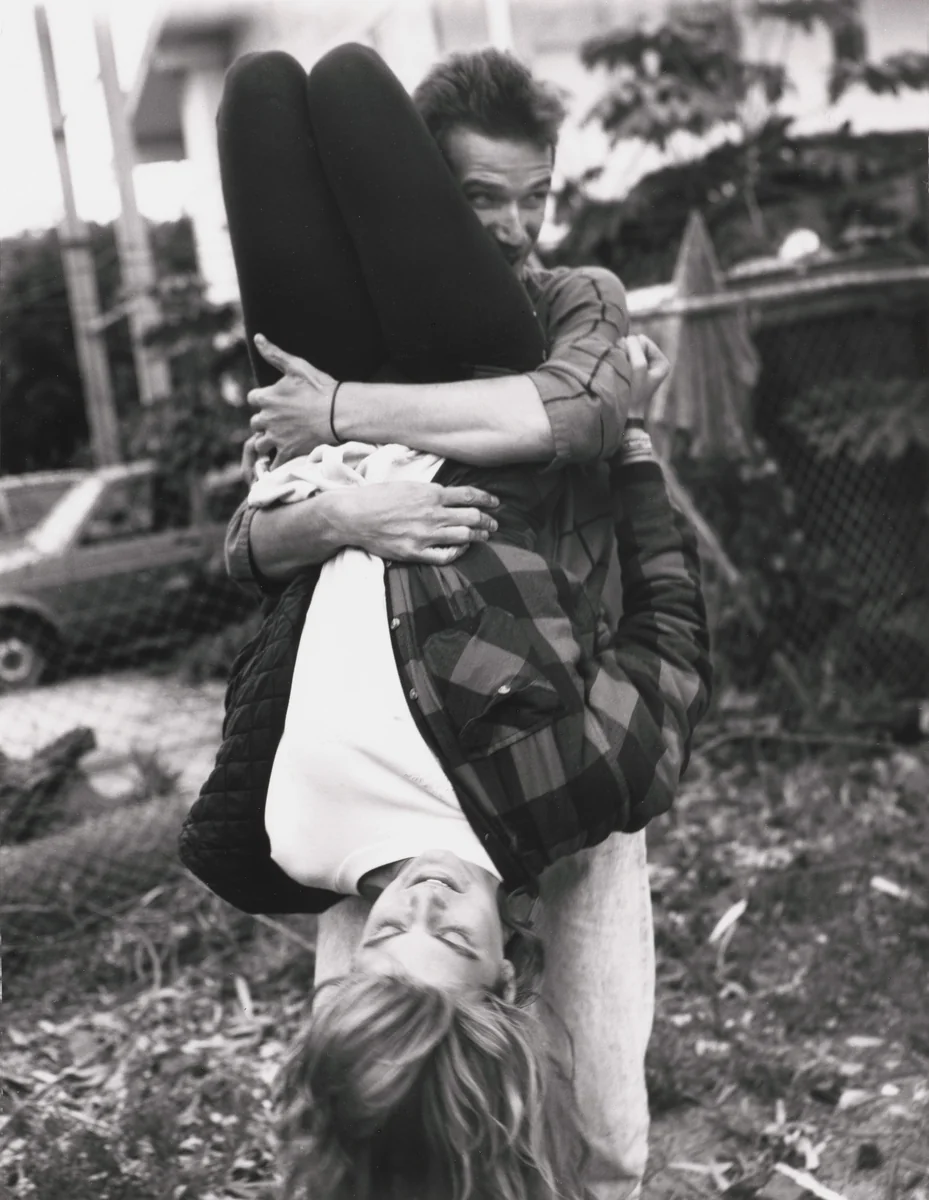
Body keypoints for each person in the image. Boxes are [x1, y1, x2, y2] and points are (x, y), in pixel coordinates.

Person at [179, 43, 711, 1200]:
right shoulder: (350, 371)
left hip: (540, 719)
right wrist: (343, 515)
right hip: (545, 747)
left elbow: (575, 410)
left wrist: (335, 412)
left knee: (603, 1123)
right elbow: (248, 543)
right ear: (416, 197)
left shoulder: (574, 305)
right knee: (379, 1078)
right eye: (478, 198)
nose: (517, 229)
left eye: (536, 196)